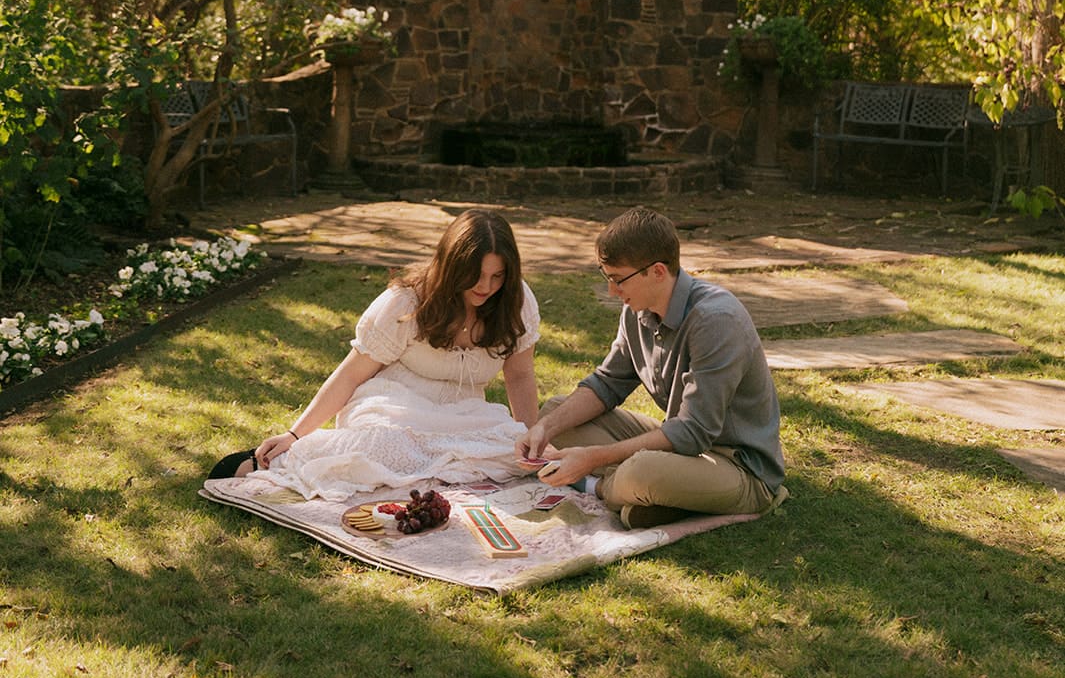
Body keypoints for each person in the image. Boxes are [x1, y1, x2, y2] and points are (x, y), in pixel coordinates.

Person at [208, 209, 541, 499]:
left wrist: (528, 438)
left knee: (510, 455)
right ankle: (276, 462)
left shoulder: (516, 302)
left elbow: (520, 375)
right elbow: (351, 374)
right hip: (395, 406)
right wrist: (295, 434)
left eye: (497, 276)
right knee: (382, 450)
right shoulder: (407, 303)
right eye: (475, 276)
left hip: (466, 414)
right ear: (452, 268)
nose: (486, 286)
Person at [518, 205, 787, 530]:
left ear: (658, 271)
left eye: (618, 279)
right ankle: (650, 496)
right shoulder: (637, 310)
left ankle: (600, 487)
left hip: (739, 467)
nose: (612, 291)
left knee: (640, 471)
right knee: (558, 412)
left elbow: (694, 432)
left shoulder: (716, 320)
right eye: (607, 277)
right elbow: (607, 385)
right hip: (683, 449)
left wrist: (591, 459)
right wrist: (544, 428)